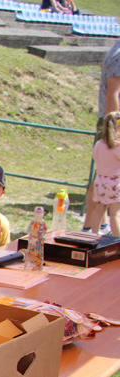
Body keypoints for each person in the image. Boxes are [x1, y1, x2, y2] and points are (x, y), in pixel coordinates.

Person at [86, 39, 120, 232]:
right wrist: (115, 129)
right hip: (113, 125)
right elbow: (113, 94)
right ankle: (92, 230)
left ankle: (98, 228)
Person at [85, 111, 120, 236]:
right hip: (115, 182)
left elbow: (96, 157)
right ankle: (117, 241)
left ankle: (93, 236)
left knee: (99, 208)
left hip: (100, 181)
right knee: (115, 213)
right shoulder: (117, 146)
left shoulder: (99, 144)